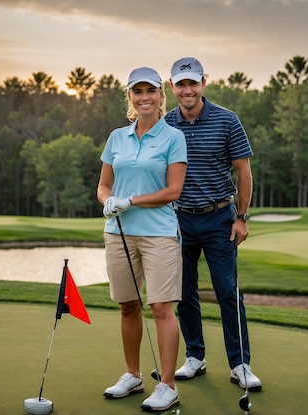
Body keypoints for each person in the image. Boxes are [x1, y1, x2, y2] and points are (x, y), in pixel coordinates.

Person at [163, 57, 262, 391]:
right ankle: (195, 356)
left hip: (220, 218)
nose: (187, 90)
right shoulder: (166, 124)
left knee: (227, 292)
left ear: (203, 83)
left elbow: (243, 173)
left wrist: (242, 218)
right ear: (173, 86)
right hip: (179, 221)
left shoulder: (227, 120)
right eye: (181, 84)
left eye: (193, 83)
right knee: (185, 292)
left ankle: (240, 364)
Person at [97, 66, 187, 412]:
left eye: (151, 91)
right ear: (130, 97)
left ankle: (167, 385)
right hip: (118, 232)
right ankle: (133, 375)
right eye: (138, 92)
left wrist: (130, 200)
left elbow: (173, 190)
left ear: (161, 96)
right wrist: (108, 200)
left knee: (162, 307)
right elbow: (103, 185)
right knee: (127, 306)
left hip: (159, 232)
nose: (145, 97)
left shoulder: (172, 137)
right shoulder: (116, 137)